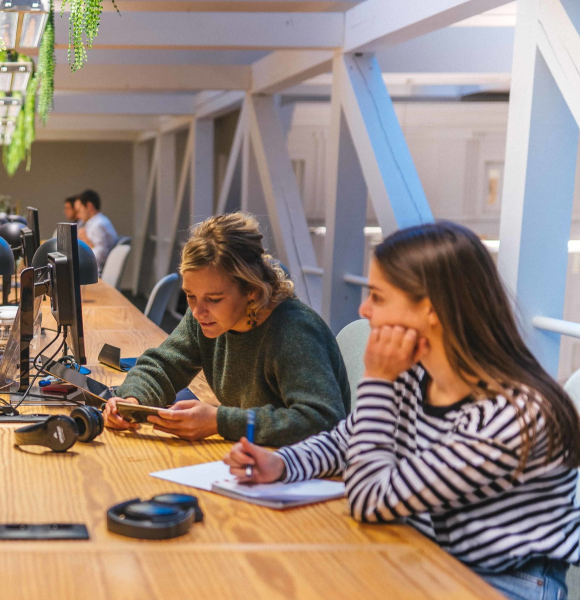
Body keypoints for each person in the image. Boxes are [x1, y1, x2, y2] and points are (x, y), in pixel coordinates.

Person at [224, 222, 580, 600]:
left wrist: (377, 380)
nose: (363, 309)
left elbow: (370, 499)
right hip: (425, 554)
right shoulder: (416, 374)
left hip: (506, 582)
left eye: (378, 297)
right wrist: (282, 463)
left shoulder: (512, 417)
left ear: (430, 309)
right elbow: (348, 440)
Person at [104, 212, 350, 446]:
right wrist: (131, 401)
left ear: (252, 290)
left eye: (214, 299)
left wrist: (220, 422)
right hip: (254, 456)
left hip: (305, 469)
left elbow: (323, 421)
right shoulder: (205, 317)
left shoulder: (294, 332)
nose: (197, 311)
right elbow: (163, 367)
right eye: (190, 295)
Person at [74, 189, 118, 271]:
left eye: (79, 210)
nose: (78, 215)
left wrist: (86, 241)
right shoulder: (98, 222)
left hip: (95, 272)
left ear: (89, 206)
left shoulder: (98, 225)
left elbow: (101, 257)